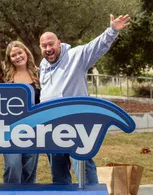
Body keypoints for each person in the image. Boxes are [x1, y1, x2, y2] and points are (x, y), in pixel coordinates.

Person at [39, 14, 130, 184]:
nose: (48, 48)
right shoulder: (44, 65)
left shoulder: (76, 55)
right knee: (58, 170)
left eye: (51, 44)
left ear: (59, 43)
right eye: (43, 46)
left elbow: (96, 47)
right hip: (51, 125)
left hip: (76, 122)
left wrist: (112, 31)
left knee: (82, 165)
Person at [3, 41, 40, 183]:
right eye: (13, 55)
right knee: (13, 166)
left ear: (26, 53)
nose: (18, 57)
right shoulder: (5, 77)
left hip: (34, 128)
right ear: (9, 59)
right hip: (10, 129)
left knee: (29, 169)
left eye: (20, 53)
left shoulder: (38, 74)